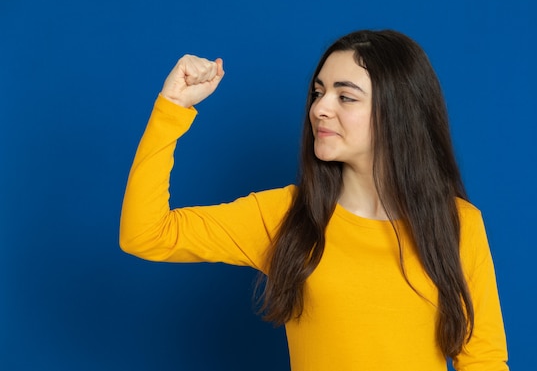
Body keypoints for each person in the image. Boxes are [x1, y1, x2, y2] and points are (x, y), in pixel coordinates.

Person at [120, 29, 509, 370]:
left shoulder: (457, 223)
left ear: (397, 113)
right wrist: (172, 108)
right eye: (319, 92)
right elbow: (146, 233)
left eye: (346, 97)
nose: (319, 109)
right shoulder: (286, 216)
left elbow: (483, 360)